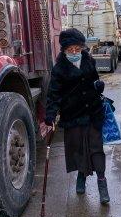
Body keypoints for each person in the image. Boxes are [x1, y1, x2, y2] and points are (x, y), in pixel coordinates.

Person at [43, 28, 109, 204]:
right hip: (73, 115)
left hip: (93, 112)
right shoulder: (59, 69)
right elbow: (53, 94)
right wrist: (49, 116)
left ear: (82, 48)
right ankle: (81, 176)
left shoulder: (89, 60)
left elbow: (95, 80)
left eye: (77, 49)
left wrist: (98, 85)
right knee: (79, 149)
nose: (74, 53)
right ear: (64, 50)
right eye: (70, 50)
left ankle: (102, 183)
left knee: (96, 148)